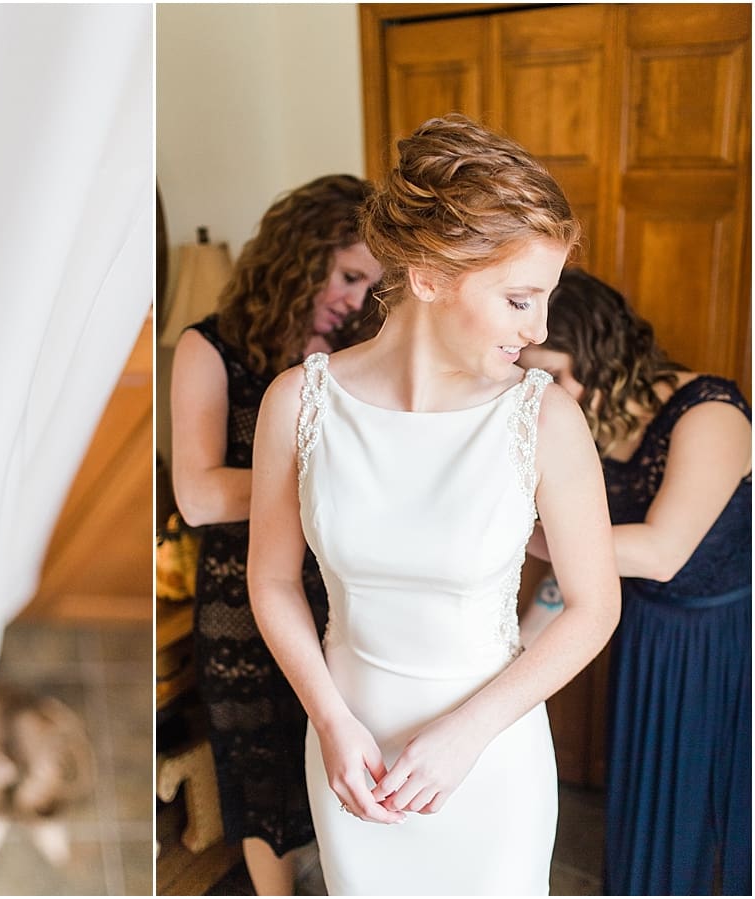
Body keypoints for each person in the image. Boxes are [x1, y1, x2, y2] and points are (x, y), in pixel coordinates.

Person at [247, 114, 621, 895]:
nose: (541, 328)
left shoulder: (542, 417)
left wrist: (467, 735)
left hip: (490, 762)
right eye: (520, 299)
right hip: (353, 754)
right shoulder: (299, 402)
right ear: (427, 277)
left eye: (545, 299)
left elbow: (594, 606)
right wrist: (330, 720)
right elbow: (275, 580)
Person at [170, 174, 383, 895]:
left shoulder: (360, 354)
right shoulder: (209, 348)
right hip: (243, 596)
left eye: (369, 285)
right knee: (260, 767)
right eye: (350, 275)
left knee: (348, 753)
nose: (357, 299)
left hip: (346, 589)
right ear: (302, 253)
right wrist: (318, 481)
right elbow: (197, 495)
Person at [519, 267, 751, 896]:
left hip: (726, 644)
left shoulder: (710, 412)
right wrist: (515, 653)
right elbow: (575, 569)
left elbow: (658, 552)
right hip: (646, 635)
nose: (541, 392)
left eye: (554, 375)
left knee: (714, 814)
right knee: (648, 801)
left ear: (603, 358)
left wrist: (508, 532)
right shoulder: (581, 429)